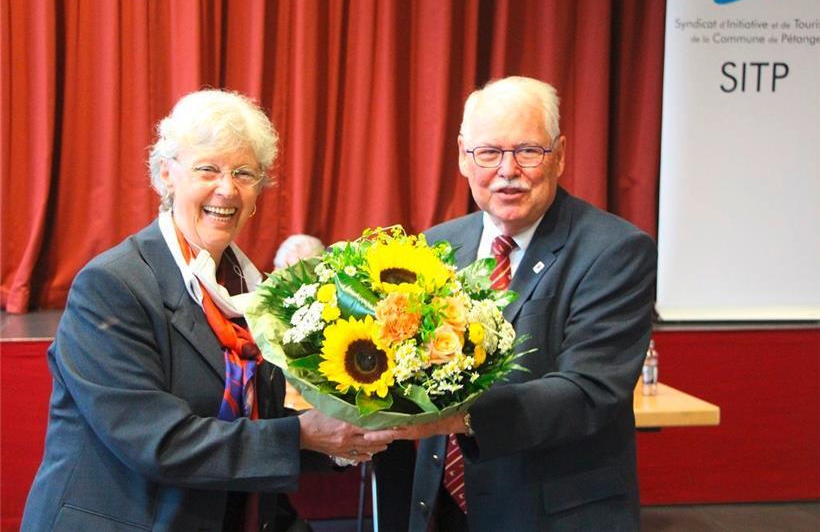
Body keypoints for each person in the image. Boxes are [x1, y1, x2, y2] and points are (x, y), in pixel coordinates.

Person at [21, 90, 395, 532]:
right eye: (207, 170)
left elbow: (262, 419)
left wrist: (347, 435)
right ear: (166, 175)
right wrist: (304, 436)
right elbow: (159, 442)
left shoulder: (256, 291)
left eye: (244, 173)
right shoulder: (113, 285)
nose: (227, 189)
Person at [381, 76, 657, 531]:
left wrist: (457, 418)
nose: (508, 170)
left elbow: (588, 391)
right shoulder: (435, 248)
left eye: (528, 151)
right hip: (441, 511)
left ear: (560, 154)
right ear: (462, 158)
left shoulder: (615, 251)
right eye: (489, 153)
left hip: (552, 517)